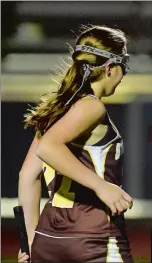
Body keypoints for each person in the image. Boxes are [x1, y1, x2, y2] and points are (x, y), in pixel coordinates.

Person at [17, 25, 134, 263]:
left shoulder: (58, 109)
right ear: (111, 67)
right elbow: (48, 147)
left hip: (48, 239)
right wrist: (101, 186)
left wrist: (31, 241)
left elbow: (27, 176)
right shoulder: (91, 106)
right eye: (125, 65)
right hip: (94, 237)